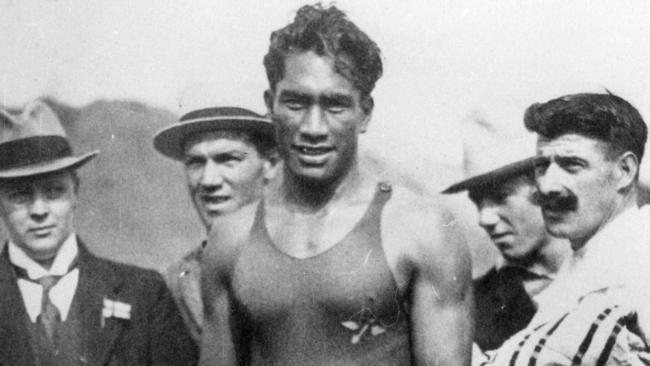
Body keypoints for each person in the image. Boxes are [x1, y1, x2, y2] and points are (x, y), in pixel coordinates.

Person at [199, 4, 473, 366]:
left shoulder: (420, 230)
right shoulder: (230, 238)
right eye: (296, 103)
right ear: (270, 106)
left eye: (335, 105)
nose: (313, 127)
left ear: (365, 113)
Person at [0, 100, 198, 366]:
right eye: (20, 195)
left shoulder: (145, 295)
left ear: (75, 192)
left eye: (53, 191)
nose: (39, 210)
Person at [477, 92, 650, 365]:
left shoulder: (642, 259)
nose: (547, 185)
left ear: (625, 171)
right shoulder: (585, 256)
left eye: (572, 165)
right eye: (542, 166)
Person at [154, 106, 277, 344]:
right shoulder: (170, 287)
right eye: (196, 163)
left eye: (228, 159)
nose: (209, 180)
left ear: (270, 164)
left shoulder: (314, 262)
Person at [443, 156, 569, 351]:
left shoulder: (615, 270)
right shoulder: (467, 310)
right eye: (478, 202)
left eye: (500, 197)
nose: (484, 219)